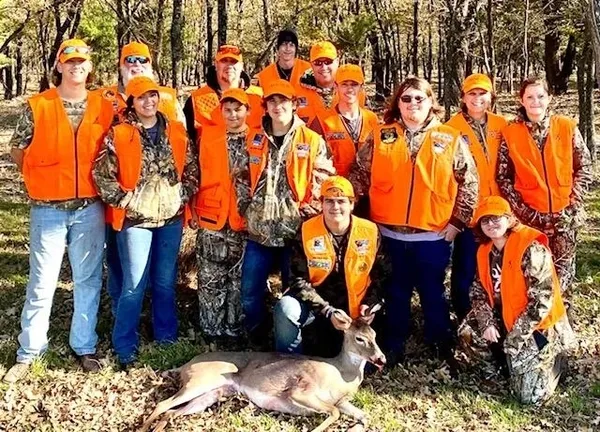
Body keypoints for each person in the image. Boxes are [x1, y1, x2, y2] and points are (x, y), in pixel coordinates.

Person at [4, 39, 113, 383]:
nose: (76, 66)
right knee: (41, 281)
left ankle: (84, 346)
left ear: (89, 67)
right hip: (48, 209)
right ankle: (30, 352)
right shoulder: (37, 105)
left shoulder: (103, 106)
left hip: (89, 207)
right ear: (59, 66)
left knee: (88, 280)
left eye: (82, 61)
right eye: (70, 61)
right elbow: (17, 149)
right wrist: (41, 175)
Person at [349, 77, 479, 367]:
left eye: (419, 98)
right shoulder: (381, 135)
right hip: (388, 234)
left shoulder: (450, 138)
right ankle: (393, 345)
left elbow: (469, 182)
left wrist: (458, 222)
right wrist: (347, 210)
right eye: (406, 99)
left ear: (431, 102)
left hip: (432, 236)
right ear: (398, 103)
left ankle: (439, 344)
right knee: (395, 293)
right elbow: (359, 174)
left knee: (433, 292)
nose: (412, 105)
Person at [93, 76, 199, 368]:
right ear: (132, 102)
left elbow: (192, 170)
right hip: (136, 223)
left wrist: (182, 195)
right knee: (134, 285)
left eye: (152, 96)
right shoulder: (120, 134)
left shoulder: (176, 132)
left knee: (165, 282)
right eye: (141, 98)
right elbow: (102, 174)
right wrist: (123, 200)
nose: (148, 102)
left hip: (171, 219)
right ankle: (124, 344)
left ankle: (166, 337)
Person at [232, 78, 335, 341]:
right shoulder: (253, 138)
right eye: (272, 101)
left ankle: (291, 341)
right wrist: (247, 208)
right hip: (259, 232)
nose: (278, 106)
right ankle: (258, 337)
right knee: (249, 293)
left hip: (295, 235)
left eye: (284, 101)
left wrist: (304, 217)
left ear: (294, 105)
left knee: (294, 295)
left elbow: (321, 181)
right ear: (265, 106)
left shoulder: (311, 140)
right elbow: (241, 177)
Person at [100, 41, 186, 319]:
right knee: (119, 265)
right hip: (121, 202)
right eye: (130, 62)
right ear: (121, 67)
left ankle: (156, 324)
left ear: (151, 66)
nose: (136, 66)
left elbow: (185, 148)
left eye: (142, 61)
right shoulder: (104, 99)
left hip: (163, 206)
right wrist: (123, 196)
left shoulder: (170, 101)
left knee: (159, 275)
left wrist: (180, 195)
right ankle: (120, 317)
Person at [469, 196, 576, 404]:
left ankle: (555, 359)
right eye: (485, 220)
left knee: (530, 399)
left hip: (537, 325)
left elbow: (542, 301)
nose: (491, 224)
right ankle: (502, 368)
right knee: (468, 332)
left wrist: (515, 338)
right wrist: (486, 323)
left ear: (509, 218)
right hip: (504, 317)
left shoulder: (530, 247)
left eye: (496, 218)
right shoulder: (484, 251)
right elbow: (478, 291)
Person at [496, 76, 592, 294]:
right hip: (531, 219)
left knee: (563, 276)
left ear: (549, 98)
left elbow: (584, 167)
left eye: (540, 96)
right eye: (529, 97)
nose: (535, 101)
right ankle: (536, 326)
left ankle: (562, 323)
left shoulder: (567, 127)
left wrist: (573, 202)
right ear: (521, 100)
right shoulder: (510, 133)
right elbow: (503, 177)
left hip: (565, 218)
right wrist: (523, 211)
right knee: (532, 274)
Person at [273, 176, 385, 356]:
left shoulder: (370, 232)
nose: (335, 207)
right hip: (318, 307)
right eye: (329, 201)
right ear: (321, 204)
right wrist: (327, 310)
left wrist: (371, 304)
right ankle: (288, 363)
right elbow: (297, 280)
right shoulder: (306, 231)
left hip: (356, 312)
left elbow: (383, 275)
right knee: (285, 308)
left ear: (352, 204)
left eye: (341, 201)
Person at [445, 73, 508, 322]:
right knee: (466, 265)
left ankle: (499, 313)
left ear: (491, 96)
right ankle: (463, 314)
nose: (477, 98)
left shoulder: (503, 124)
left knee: (499, 266)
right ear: (463, 97)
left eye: (483, 93)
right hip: (470, 211)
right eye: (472, 93)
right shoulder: (450, 128)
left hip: (500, 210)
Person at [190, 88, 249, 338]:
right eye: (228, 109)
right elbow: (194, 174)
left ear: (247, 111)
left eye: (238, 109)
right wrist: (191, 210)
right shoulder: (207, 137)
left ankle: (235, 330)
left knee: (238, 280)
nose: (233, 114)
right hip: (210, 217)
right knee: (210, 279)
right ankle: (211, 331)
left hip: (242, 219)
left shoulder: (257, 140)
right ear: (221, 111)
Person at [184, 44, 263, 144]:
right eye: (224, 61)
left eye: (233, 61)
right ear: (216, 65)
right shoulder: (195, 100)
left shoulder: (260, 97)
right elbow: (188, 143)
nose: (229, 66)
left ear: (241, 66)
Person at [99, 41, 185, 124]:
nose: (137, 64)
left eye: (143, 60)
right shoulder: (106, 97)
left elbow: (182, 132)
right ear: (122, 64)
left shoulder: (168, 97)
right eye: (131, 59)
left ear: (149, 64)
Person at [321, 64, 379, 178]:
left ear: (361, 87)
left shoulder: (372, 119)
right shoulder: (324, 121)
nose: (350, 89)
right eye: (344, 84)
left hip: (369, 188)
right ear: (336, 86)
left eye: (354, 84)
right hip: (338, 190)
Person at [296, 41, 366, 133]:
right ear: (311, 64)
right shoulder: (297, 91)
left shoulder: (354, 92)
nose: (323, 67)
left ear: (337, 62)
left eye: (328, 62)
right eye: (318, 62)